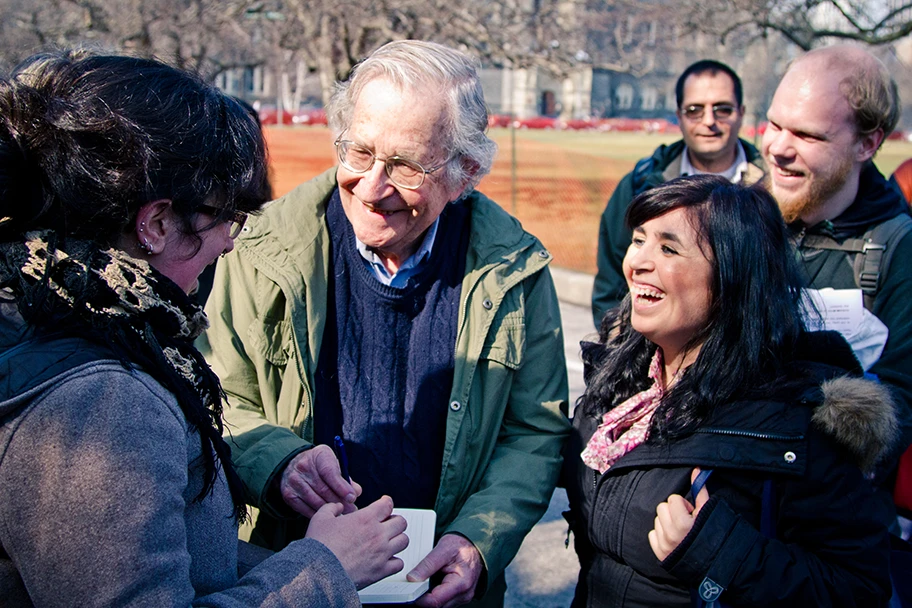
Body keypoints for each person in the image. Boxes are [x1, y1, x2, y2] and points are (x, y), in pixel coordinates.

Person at [0, 50, 408, 607]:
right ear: (158, 223)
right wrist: (326, 566)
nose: (230, 242)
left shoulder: (55, 308)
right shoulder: (105, 400)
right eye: (225, 216)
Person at [201, 40, 570, 607]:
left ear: (463, 172)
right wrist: (278, 463)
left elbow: (533, 433)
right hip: (291, 580)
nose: (372, 188)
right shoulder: (259, 251)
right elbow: (218, 399)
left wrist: (478, 541)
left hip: (440, 592)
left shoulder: (515, 270)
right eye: (359, 153)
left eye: (405, 165)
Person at [564, 175, 896, 607]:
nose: (637, 263)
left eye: (668, 248)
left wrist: (720, 552)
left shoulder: (799, 423)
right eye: (639, 240)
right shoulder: (622, 379)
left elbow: (858, 589)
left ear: (731, 279)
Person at [761, 45, 912, 476]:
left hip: (828, 523)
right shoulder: (737, 219)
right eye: (774, 124)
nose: (778, 148)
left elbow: (902, 407)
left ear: (868, 143)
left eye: (807, 135)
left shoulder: (898, 249)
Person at [591, 60, 765, 325]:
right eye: (695, 110)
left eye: (723, 109)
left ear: (741, 113)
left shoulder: (771, 189)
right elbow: (611, 288)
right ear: (679, 115)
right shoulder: (641, 185)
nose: (709, 121)